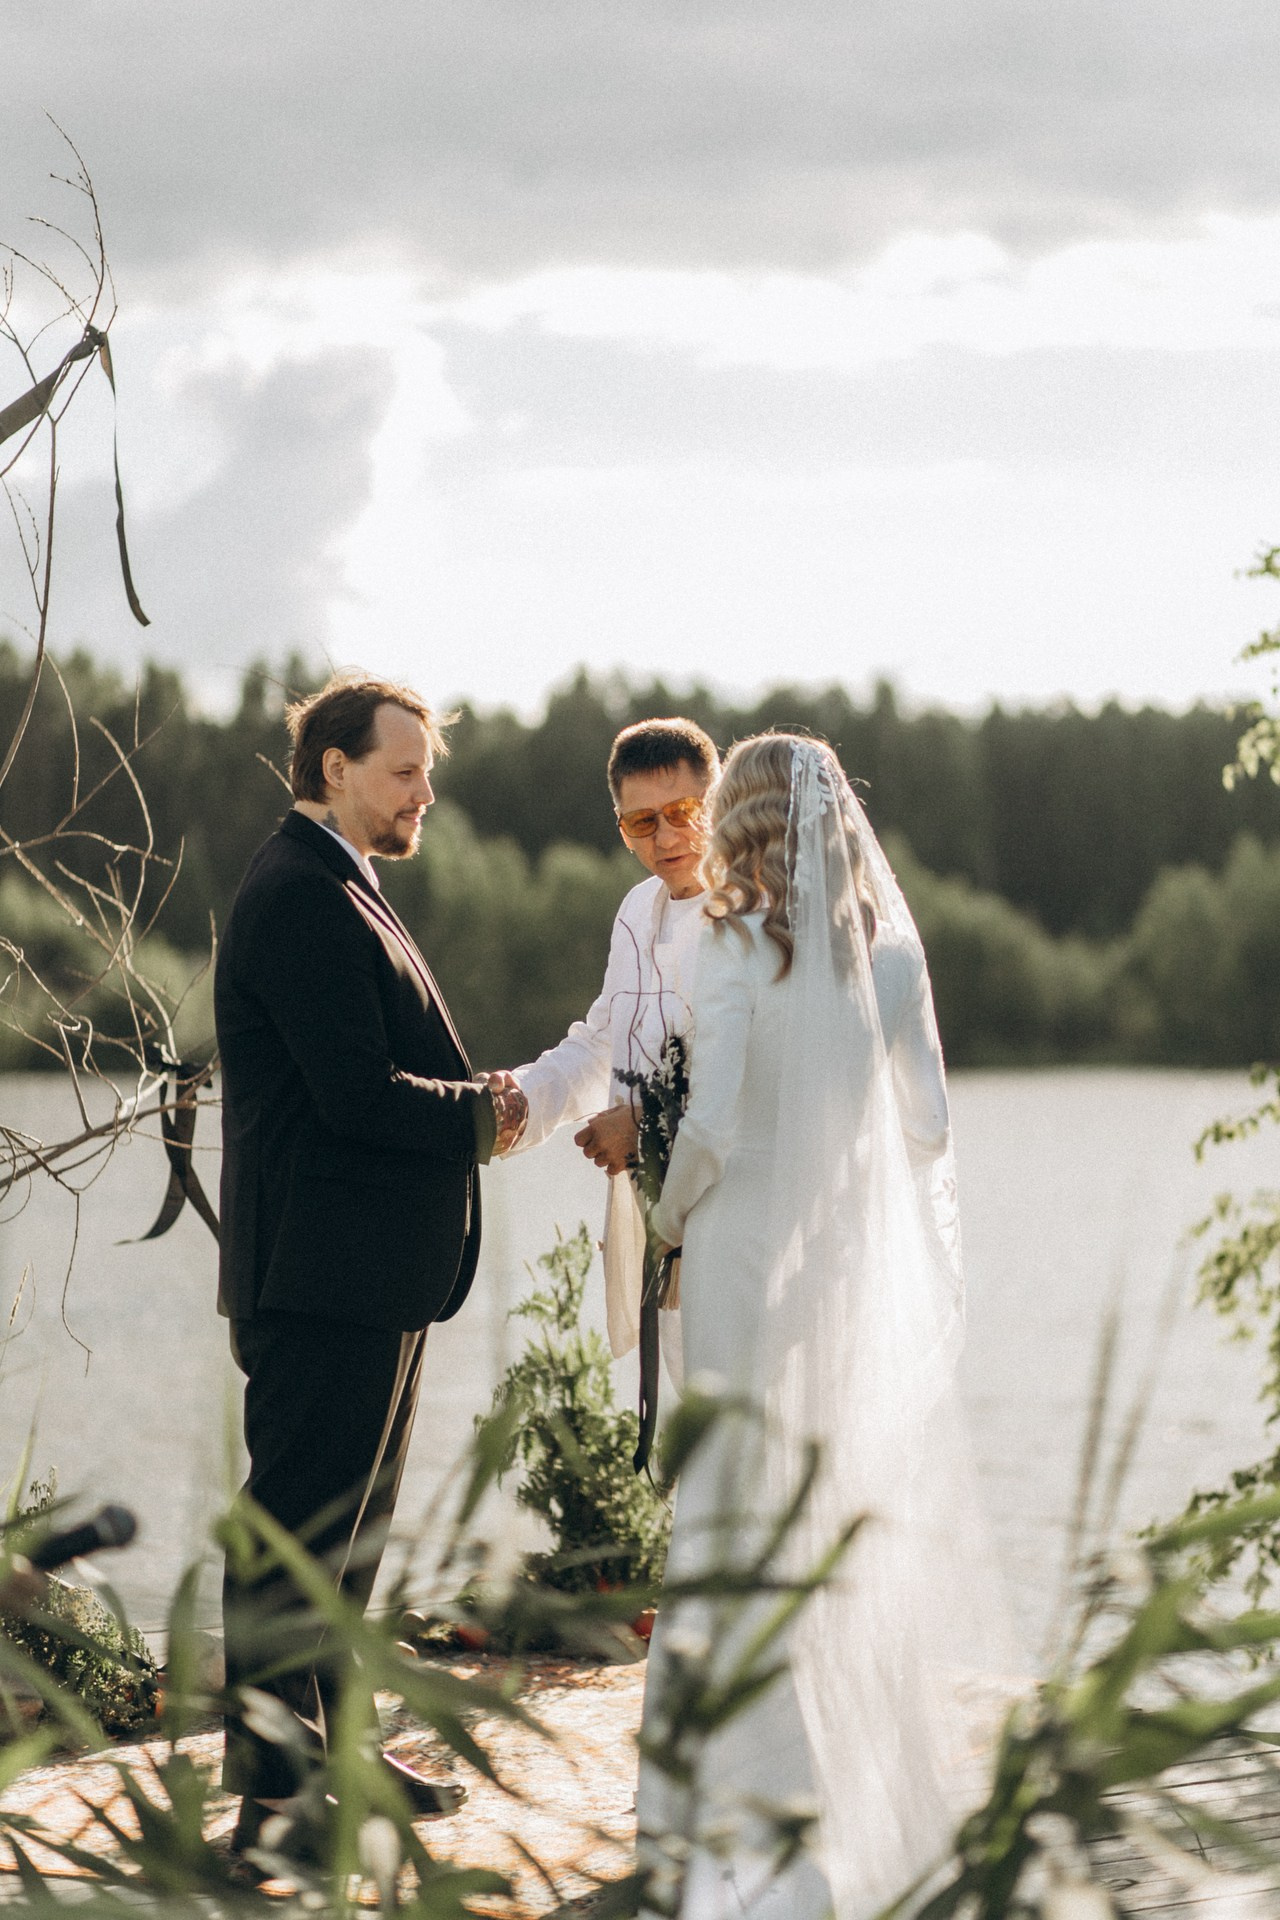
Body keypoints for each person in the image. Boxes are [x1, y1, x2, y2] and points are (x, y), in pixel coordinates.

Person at [639, 734, 1013, 1920]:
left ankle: (710, 1808)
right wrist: (849, 1198)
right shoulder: (892, 960)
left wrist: (661, 1213)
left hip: (744, 1261)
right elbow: (929, 1127)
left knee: (727, 1507)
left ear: (741, 822)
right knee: (824, 1505)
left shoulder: (735, 939)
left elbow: (706, 1127)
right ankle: (848, 1790)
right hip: (836, 1268)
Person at [214, 673, 527, 1861]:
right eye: (404, 770)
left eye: (427, 773)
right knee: (293, 1534)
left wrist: (473, 1108)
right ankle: (270, 1804)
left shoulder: (346, 885)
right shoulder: (299, 894)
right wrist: (482, 1113)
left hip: (367, 1275)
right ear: (333, 767)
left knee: (348, 1539)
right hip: (317, 1275)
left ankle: (336, 1750)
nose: (423, 792)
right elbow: (353, 1095)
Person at [507, 717, 720, 1365]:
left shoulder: (756, 915)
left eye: (683, 811)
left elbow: (768, 1079)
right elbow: (600, 1042)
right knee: (682, 1443)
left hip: (736, 1228)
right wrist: (514, 1103)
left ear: (717, 804)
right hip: (653, 1225)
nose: (667, 837)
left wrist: (650, 1124)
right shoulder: (634, 911)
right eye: (641, 823)